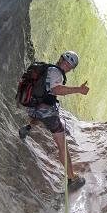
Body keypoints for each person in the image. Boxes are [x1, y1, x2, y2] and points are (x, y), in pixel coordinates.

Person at [19, 51, 89, 189]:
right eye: (69, 66)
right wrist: (79, 90)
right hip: (46, 112)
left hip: (33, 106)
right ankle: (72, 178)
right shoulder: (57, 73)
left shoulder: (47, 68)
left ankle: (26, 128)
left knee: (39, 115)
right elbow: (57, 90)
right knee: (62, 144)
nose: (68, 68)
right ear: (68, 65)